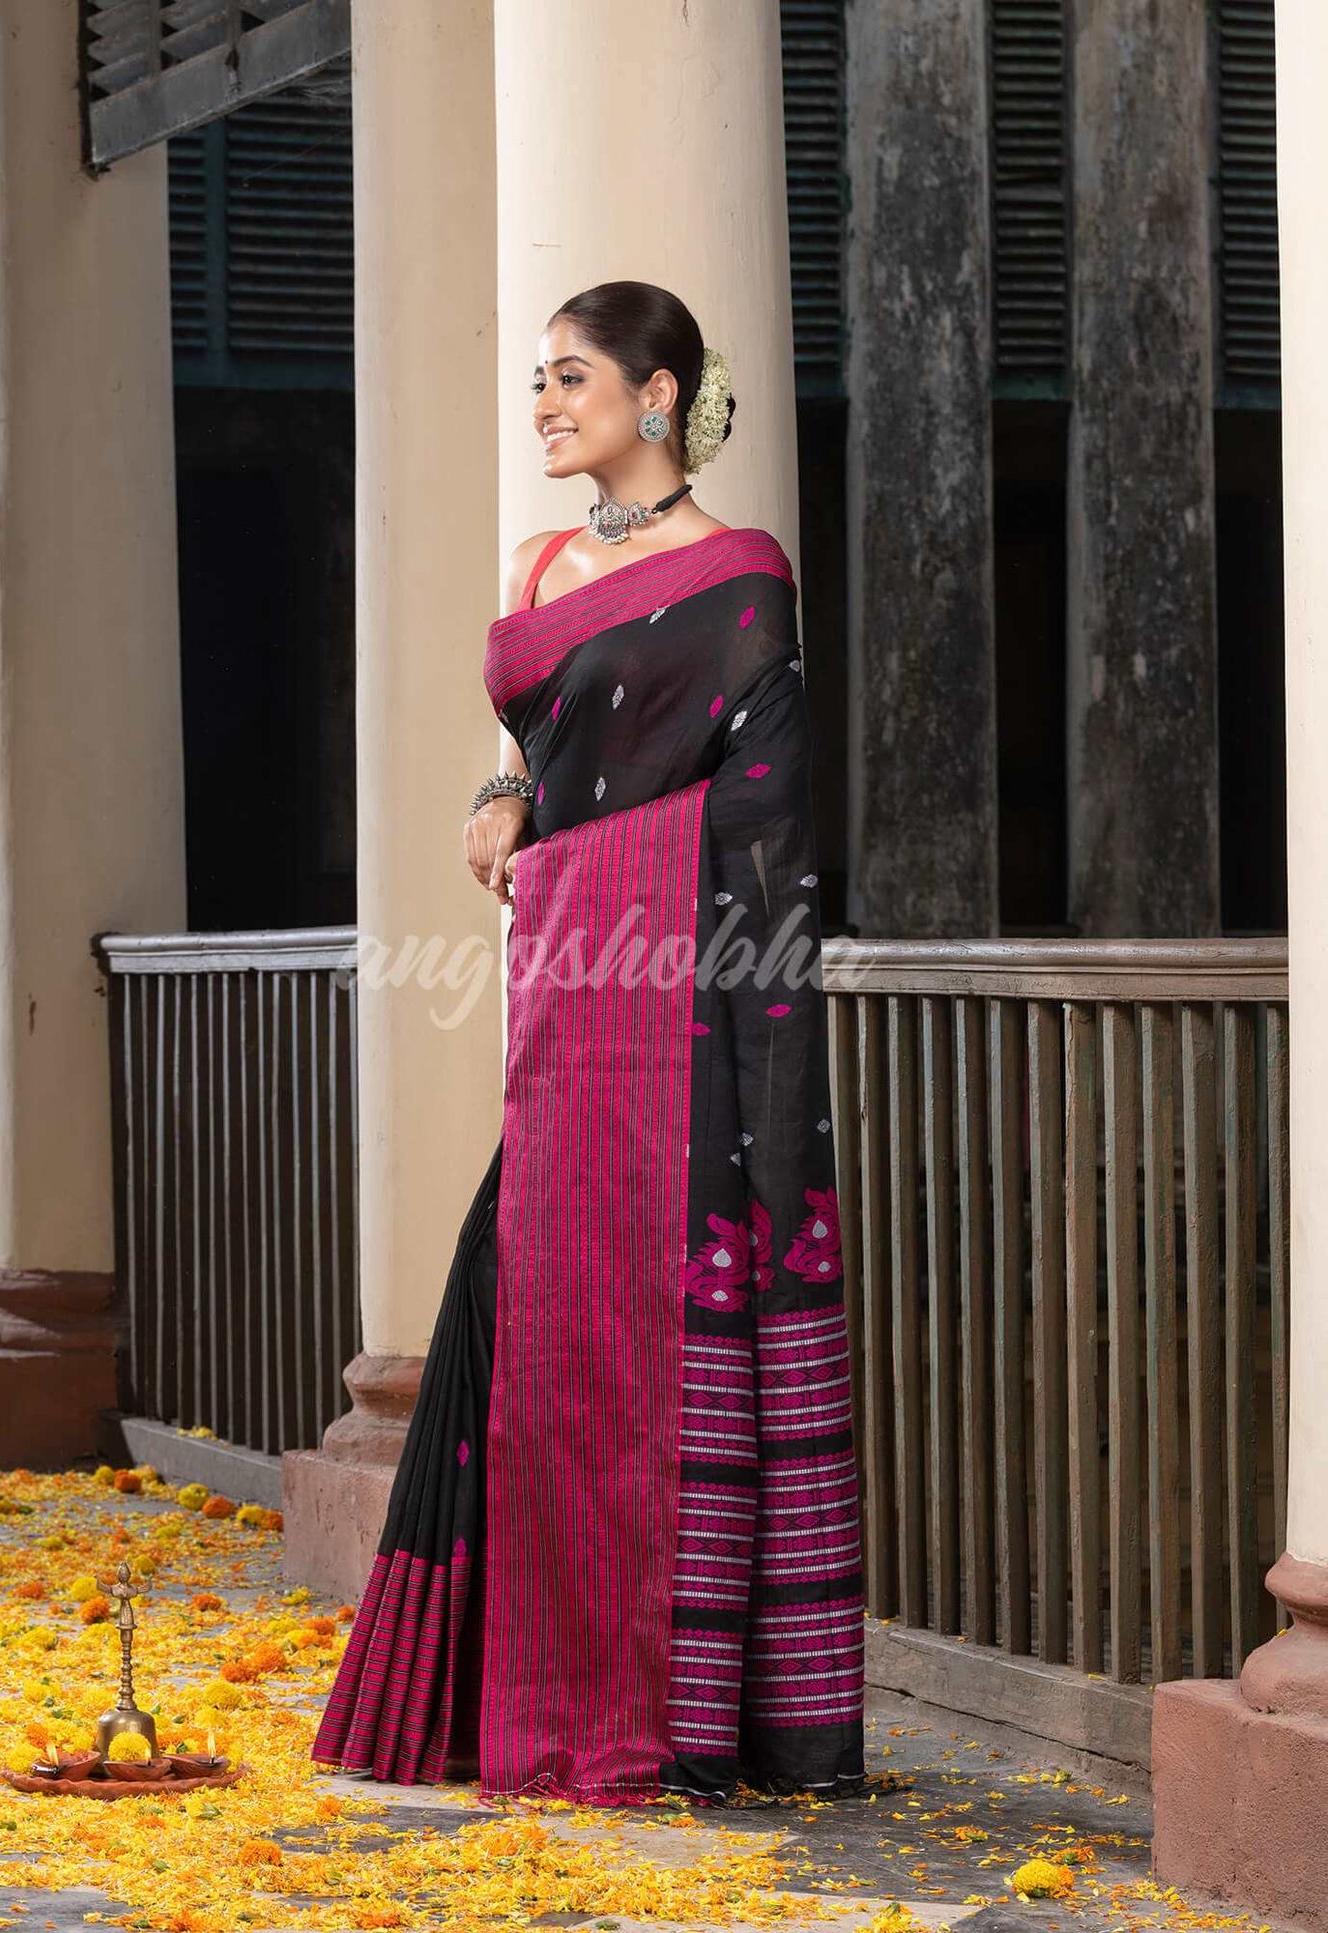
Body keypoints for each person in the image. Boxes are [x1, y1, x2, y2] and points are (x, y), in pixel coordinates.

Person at [312, 281, 864, 1807]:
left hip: (683, 1010)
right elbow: (528, 754)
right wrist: (500, 799)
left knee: (650, 1298)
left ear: (657, 393)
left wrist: (571, 861)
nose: (546, 405)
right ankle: (500, 1685)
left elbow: (762, 810)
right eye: (539, 382)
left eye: (570, 378)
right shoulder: (539, 563)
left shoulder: (742, 579)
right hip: (568, 997)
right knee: (514, 1282)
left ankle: (680, 1707)